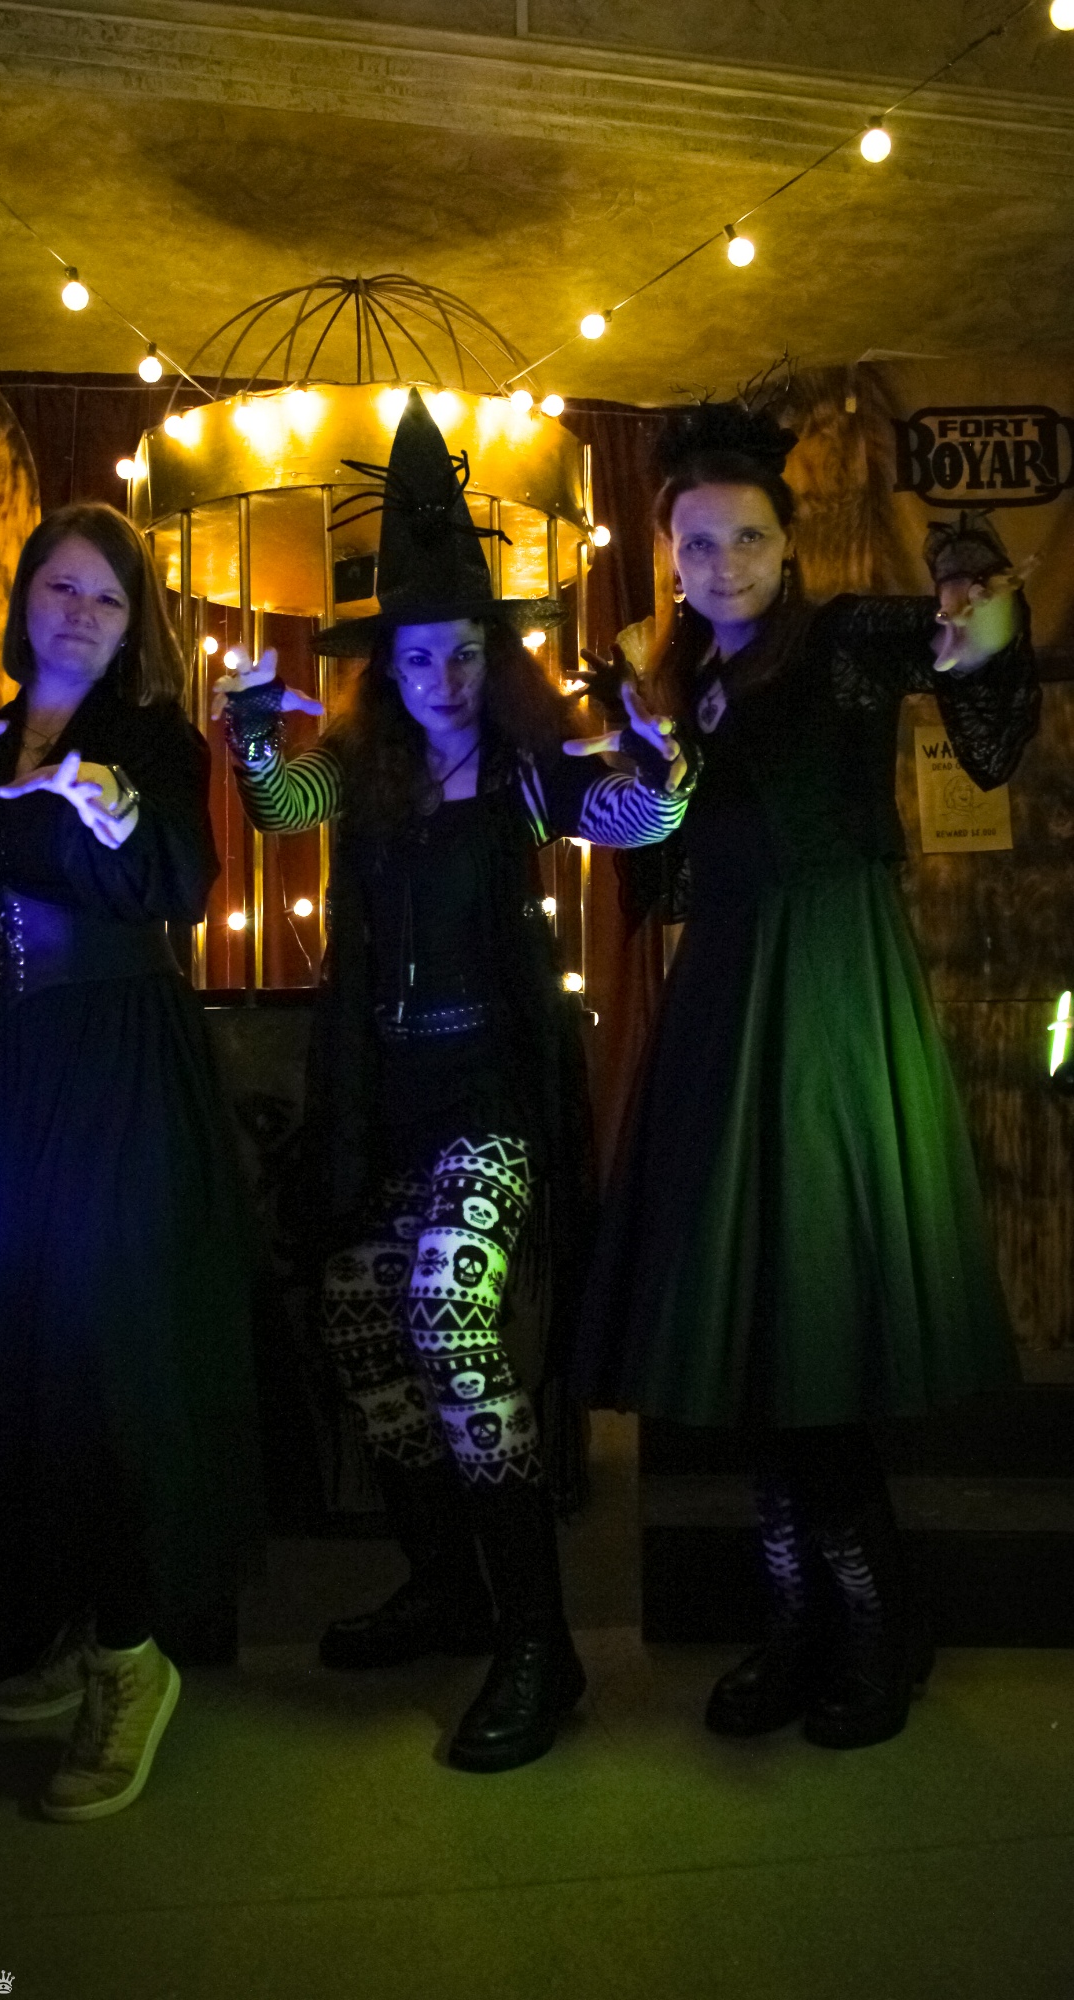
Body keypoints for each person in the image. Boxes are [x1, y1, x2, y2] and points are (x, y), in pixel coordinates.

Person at [213, 388, 691, 1772]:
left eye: (464, 655)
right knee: (362, 1327)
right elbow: (276, 806)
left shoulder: (529, 776)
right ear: (389, 668)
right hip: (379, 1103)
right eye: (418, 657)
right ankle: (443, 1587)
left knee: (448, 1320)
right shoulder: (356, 777)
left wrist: (663, 767)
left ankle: (539, 1641)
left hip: (488, 1102)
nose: (440, 679)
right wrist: (251, 733)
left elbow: (635, 813)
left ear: (494, 659)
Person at [575, 403, 1041, 1750]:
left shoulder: (843, 641)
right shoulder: (676, 684)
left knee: (814, 1322)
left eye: (748, 539)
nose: (722, 563)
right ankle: (795, 1627)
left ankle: (878, 1629)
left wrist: (972, 588)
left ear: (787, 548)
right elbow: (658, 863)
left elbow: (980, 694)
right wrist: (636, 782)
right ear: (669, 557)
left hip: (830, 996)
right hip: (725, 1005)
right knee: (760, 1340)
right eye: (698, 543)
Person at [0, 502, 262, 1822]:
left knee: (108, 1350)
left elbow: (178, 884)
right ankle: (73, 1622)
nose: (79, 614)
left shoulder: (151, 741)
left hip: (117, 1069)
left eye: (106, 597)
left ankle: (133, 1659)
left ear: (132, 624)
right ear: (25, 598)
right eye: (61, 588)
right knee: (2, 1337)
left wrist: (110, 814)